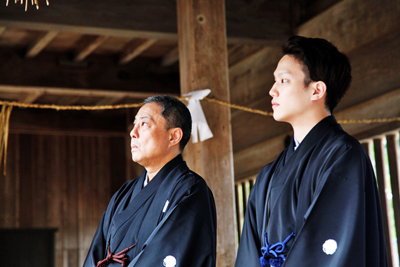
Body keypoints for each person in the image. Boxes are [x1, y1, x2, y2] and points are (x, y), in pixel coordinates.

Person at [235, 36, 388, 267]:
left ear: (316, 90)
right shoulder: (269, 173)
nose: (272, 91)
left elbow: (334, 250)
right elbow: (249, 251)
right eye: (275, 81)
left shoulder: (344, 156)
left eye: (284, 80)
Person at [83, 95, 217, 267]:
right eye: (134, 124)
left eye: (144, 124)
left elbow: (168, 256)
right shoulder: (124, 193)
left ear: (174, 136)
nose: (133, 132)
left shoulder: (190, 190)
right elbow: (96, 252)